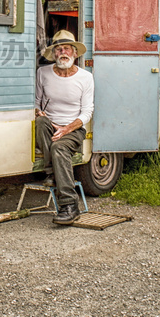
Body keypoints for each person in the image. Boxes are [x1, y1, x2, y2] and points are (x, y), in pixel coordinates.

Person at [35, 30, 94, 225]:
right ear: (54, 54)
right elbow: (36, 102)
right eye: (58, 49)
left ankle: (70, 205)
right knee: (40, 123)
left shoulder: (85, 77)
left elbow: (87, 112)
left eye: (67, 48)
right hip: (49, 126)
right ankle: (52, 172)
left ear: (75, 53)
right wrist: (39, 112)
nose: (63, 52)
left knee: (59, 147)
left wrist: (67, 129)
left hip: (74, 129)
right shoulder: (42, 73)